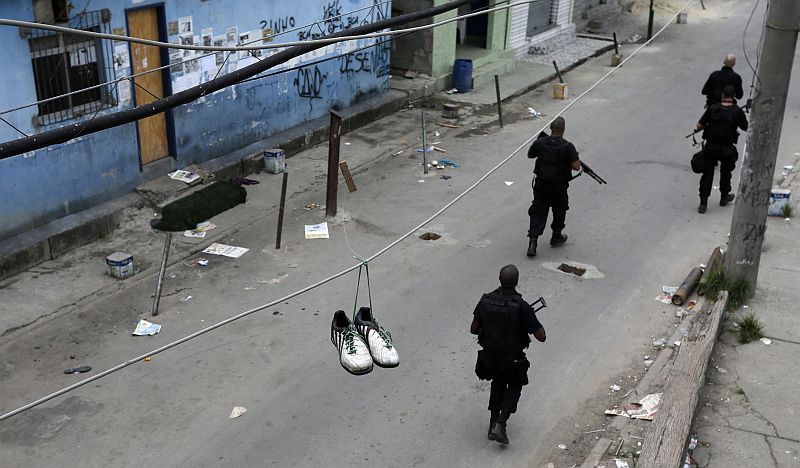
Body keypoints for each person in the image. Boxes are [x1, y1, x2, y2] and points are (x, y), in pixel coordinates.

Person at [470, 265, 546, 445]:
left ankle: (492, 424)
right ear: (517, 282)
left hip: (489, 357)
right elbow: (541, 336)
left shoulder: (485, 301)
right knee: (514, 386)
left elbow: (473, 329)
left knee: (497, 384)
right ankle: (500, 424)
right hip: (512, 359)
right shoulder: (521, 307)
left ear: (499, 279)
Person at [526, 117, 582, 257]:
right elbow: (576, 166)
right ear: (563, 129)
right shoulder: (567, 147)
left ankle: (532, 243)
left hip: (541, 185)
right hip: (558, 186)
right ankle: (556, 236)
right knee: (560, 210)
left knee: (538, 212)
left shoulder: (540, 143)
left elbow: (530, 154)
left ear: (551, 129)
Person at [695, 85, 748, 213]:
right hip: (727, 148)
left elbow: (699, 125)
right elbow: (745, 127)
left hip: (711, 146)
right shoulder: (737, 112)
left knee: (707, 174)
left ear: (722, 95)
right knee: (726, 172)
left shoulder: (713, 109)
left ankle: (703, 203)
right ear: (733, 96)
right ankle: (724, 197)